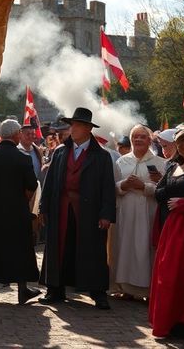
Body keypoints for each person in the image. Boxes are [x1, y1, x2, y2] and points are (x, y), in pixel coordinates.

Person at [38, 107, 116, 310]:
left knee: (92, 251)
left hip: (89, 212)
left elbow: (108, 188)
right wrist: (43, 207)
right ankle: (55, 289)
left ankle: (98, 292)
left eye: (78, 126)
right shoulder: (60, 152)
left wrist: (106, 214)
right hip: (61, 208)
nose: (72, 129)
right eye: (72, 125)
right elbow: (50, 182)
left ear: (88, 129)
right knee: (59, 249)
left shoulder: (101, 156)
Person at [0, 119, 41, 305]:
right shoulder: (23, 158)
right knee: (20, 250)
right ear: (15, 135)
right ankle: (23, 290)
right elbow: (31, 185)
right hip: (17, 213)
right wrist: (21, 202)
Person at [148, 126, 184, 339]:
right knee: (167, 273)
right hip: (171, 227)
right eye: (178, 140)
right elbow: (160, 192)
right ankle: (168, 319)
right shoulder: (172, 167)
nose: (180, 144)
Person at [111, 124, 167, 300]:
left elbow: (165, 189)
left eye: (143, 136)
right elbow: (112, 186)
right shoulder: (121, 161)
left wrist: (144, 187)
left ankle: (148, 290)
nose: (138, 140)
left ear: (150, 140)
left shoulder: (161, 163)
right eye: (135, 136)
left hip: (149, 211)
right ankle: (126, 288)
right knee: (125, 247)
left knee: (146, 248)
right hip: (126, 211)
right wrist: (123, 185)